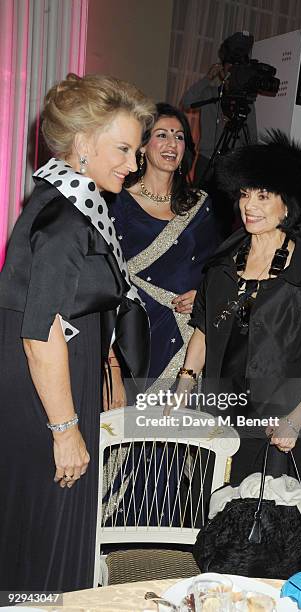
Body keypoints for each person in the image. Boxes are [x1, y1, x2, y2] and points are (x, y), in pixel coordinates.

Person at [0, 73, 154, 591]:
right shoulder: (65, 219)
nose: (134, 165)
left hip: (56, 387)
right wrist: (64, 431)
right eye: (125, 149)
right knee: (49, 533)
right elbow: (39, 332)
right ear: (84, 144)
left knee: (40, 531)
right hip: (46, 399)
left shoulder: (69, 204)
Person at [173, 132, 301, 502]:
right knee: (214, 512)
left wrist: (297, 419)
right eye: (245, 194)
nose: (249, 206)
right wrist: (184, 389)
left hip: (278, 427)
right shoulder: (221, 267)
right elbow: (203, 331)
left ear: (287, 206)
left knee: (267, 537)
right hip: (221, 417)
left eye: (263, 196)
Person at [107, 102, 221, 401]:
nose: (172, 143)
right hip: (133, 328)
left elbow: (218, 268)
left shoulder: (199, 205)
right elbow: (104, 275)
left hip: (188, 333)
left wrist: (204, 295)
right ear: (142, 146)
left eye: (179, 136)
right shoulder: (115, 200)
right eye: (162, 135)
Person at [181, 31, 257, 186]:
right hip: (207, 160)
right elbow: (187, 102)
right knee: (199, 205)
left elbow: (252, 138)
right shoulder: (209, 93)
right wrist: (207, 78)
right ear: (221, 70)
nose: (233, 72)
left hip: (232, 164)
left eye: (237, 68)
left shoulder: (246, 101)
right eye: (229, 67)